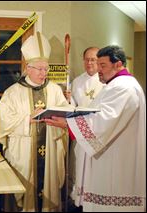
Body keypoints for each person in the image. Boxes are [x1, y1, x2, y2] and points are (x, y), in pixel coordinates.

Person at [45, 45, 146, 212]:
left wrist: (68, 123)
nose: (98, 69)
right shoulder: (115, 84)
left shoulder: (123, 87)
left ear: (118, 64)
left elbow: (104, 120)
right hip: (112, 153)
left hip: (116, 159)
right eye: (97, 64)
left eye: (103, 65)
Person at [0, 31, 70, 212]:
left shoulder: (54, 90)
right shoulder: (12, 92)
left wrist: (64, 113)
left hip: (50, 151)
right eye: (39, 69)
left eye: (46, 69)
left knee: (49, 185)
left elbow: (65, 116)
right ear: (28, 68)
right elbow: (4, 122)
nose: (44, 73)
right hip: (24, 151)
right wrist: (28, 118)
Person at [65, 47, 105, 210]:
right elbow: (74, 107)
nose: (89, 63)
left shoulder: (105, 81)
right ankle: (80, 201)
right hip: (81, 132)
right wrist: (69, 100)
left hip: (98, 133)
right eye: (87, 59)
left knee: (96, 170)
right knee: (80, 166)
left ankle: (96, 199)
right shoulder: (77, 81)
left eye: (93, 59)